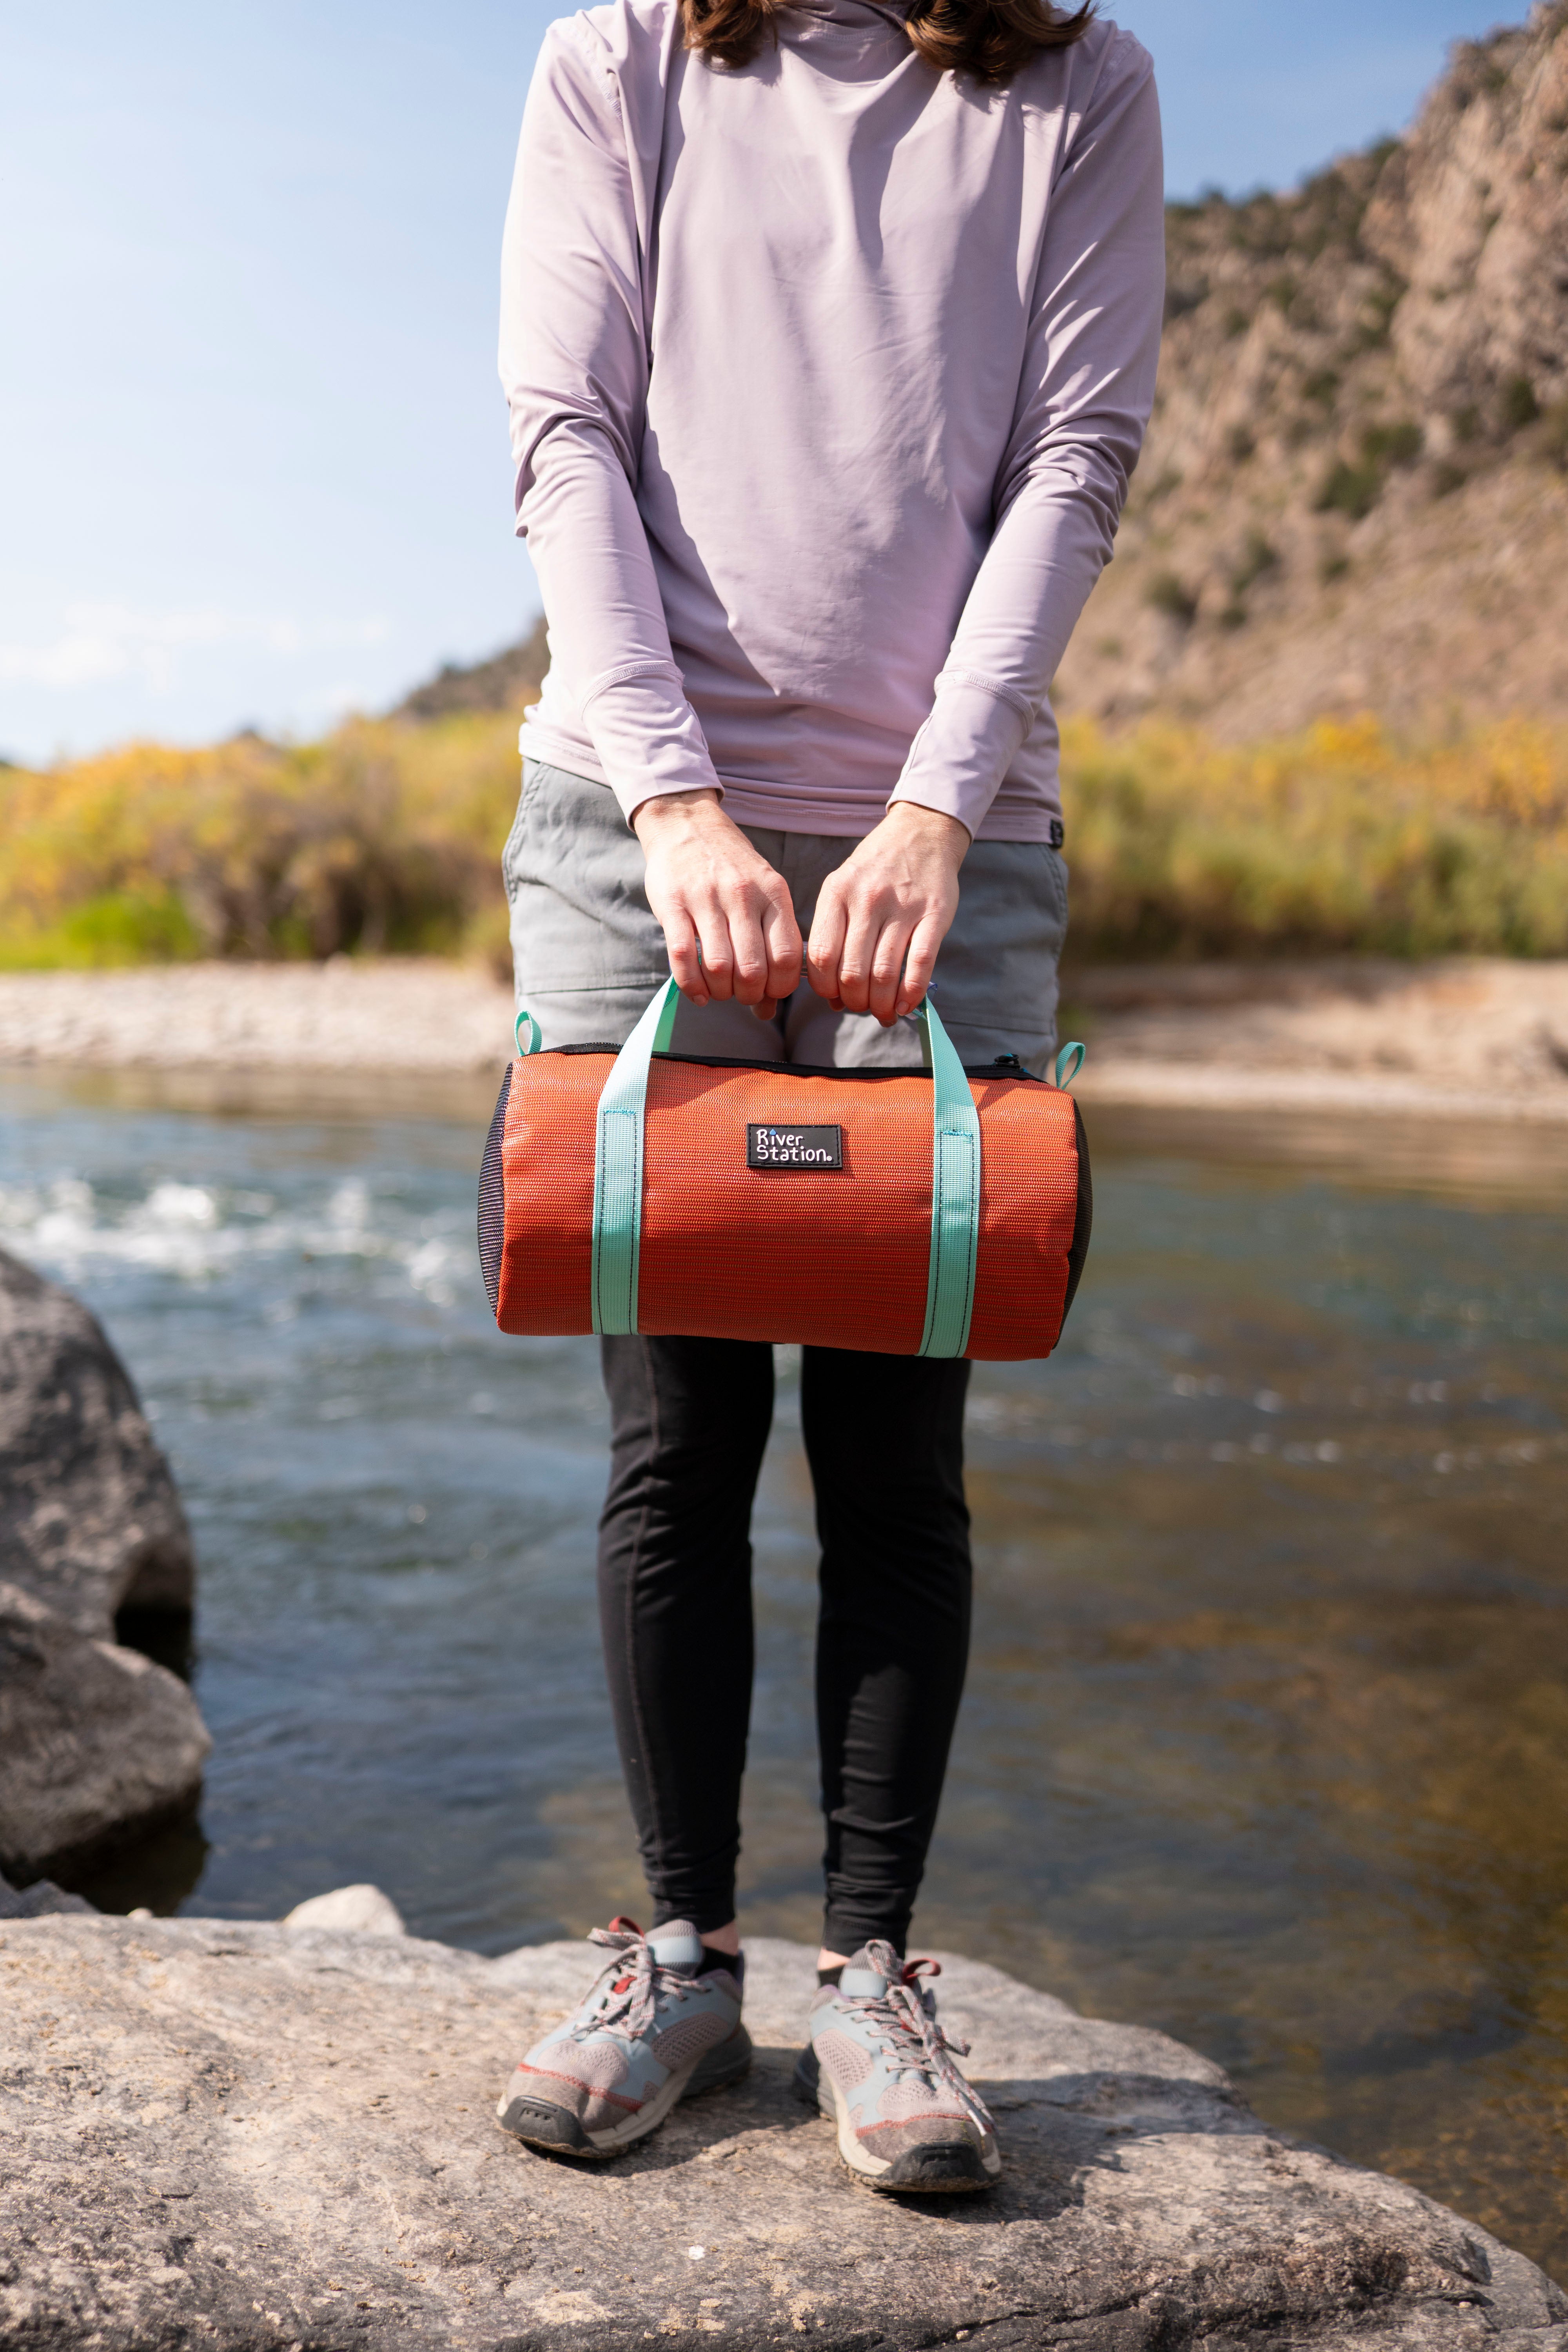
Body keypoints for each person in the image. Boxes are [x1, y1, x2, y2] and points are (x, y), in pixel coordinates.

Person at [493, 0, 1163, 2192]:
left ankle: (869, 1979)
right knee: (675, 1440)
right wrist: (677, 801)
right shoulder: (626, 56)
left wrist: (934, 817)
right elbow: (563, 431)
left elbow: (1079, 453)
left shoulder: (1077, 82)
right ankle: (682, 1957)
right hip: (632, 824)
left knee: (895, 1462)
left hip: (941, 852)